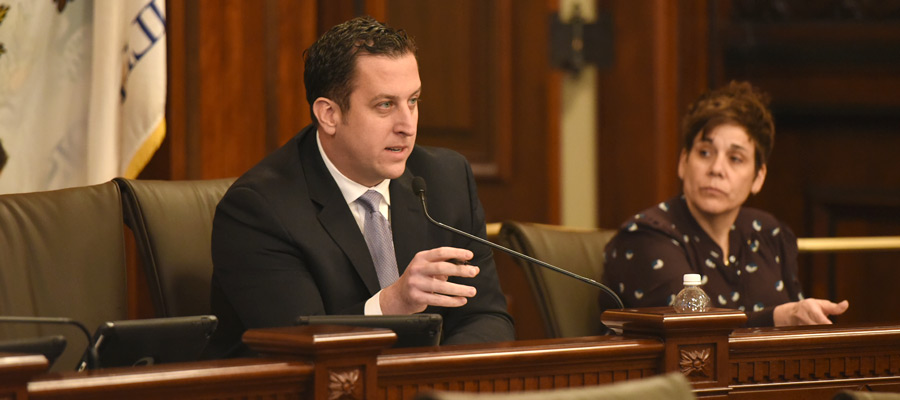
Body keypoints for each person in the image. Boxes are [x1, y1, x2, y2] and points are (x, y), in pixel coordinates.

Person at [206, 16, 515, 358]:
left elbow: (486, 317)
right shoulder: (260, 209)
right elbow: (299, 346)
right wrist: (391, 304)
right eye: (385, 105)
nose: (407, 125)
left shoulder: (446, 179)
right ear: (329, 115)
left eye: (413, 101)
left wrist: (433, 382)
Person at [601, 81, 849, 327]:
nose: (717, 169)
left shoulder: (769, 233)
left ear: (758, 177)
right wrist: (779, 318)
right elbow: (693, 332)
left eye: (735, 158)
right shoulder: (645, 236)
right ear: (683, 161)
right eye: (705, 153)